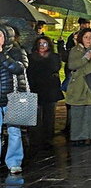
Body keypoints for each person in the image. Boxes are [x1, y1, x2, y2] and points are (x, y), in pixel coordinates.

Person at [65, 28, 91, 146]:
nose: (88, 40)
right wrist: (85, 58)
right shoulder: (75, 50)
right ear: (81, 38)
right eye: (86, 37)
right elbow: (72, 65)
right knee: (78, 109)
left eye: (90, 37)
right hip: (78, 83)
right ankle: (78, 136)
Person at [0, 25, 29, 174]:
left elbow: (20, 68)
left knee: (14, 131)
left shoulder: (17, 51)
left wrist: (2, 56)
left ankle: (14, 162)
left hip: (13, 97)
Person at [27, 36, 63, 149]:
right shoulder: (31, 57)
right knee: (35, 116)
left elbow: (55, 68)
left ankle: (48, 138)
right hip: (35, 88)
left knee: (49, 116)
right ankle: (35, 139)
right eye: (40, 43)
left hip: (49, 90)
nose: (42, 46)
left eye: (45, 43)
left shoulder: (54, 57)